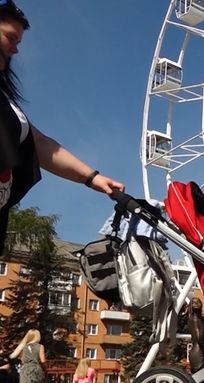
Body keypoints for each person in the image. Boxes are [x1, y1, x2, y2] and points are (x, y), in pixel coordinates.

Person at [0, 2, 125, 254]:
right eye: (10, 37)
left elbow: (41, 144)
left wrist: (92, 178)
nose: (15, 49)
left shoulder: (7, 103)